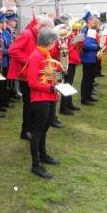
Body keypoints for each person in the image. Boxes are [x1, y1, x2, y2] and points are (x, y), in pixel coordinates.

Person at [8, 16, 55, 141]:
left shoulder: (36, 34)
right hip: (25, 75)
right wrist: (29, 60)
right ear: (43, 27)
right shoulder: (27, 34)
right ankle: (26, 130)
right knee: (28, 104)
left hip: (33, 73)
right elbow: (12, 50)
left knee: (33, 104)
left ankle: (33, 128)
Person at [27, 28, 61, 179]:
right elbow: (32, 81)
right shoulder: (36, 56)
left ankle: (43, 154)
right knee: (38, 131)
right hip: (41, 98)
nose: (55, 44)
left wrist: (57, 86)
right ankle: (35, 165)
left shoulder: (45, 54)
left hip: (49, 96)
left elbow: (50, 74)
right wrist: (51, 88)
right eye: (54, 41)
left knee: (45, 128)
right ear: (50, 42)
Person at [80, 11, 100, 105]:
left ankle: (88, 96)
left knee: (90, 78)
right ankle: (84, 98)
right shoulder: (86, 30)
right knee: (87, 79)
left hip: (91, 57)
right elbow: (86, 45)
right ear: (88, 21)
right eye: (92, 20)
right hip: (88, 58)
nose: (94, 21)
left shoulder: (90, 30)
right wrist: (97, 46)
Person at [0, 10, 11, 110]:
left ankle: (3, 102)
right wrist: (10, 50)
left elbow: (7, 45)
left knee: (4, 84)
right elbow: (0, 50)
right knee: (0, 85)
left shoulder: (2, 33)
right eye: (4, 22)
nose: (6, 24)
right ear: (0, 23)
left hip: (5, 61)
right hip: (1, 62)